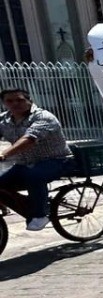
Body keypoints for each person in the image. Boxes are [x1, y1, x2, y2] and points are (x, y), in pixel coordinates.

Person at [0, 89, 75, 231]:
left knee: (33, 175)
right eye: (10, 101)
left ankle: (40, 214)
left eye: (20, 100)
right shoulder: (3, 120)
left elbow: (29, 139)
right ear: (4, 103)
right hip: (24, 163)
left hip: (57, 161)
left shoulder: (43, 117)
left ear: (29, 100)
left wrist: (4, 154)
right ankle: (30, 206)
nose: (15, 104)